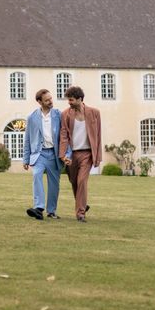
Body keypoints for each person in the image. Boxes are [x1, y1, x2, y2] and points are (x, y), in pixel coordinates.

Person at [59, 86, 102, 222]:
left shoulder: (94, 113)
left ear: (80, 99)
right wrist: (63, 155)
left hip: (87, 154)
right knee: (74, 182)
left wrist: (98, 156)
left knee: (82, 181)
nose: (69, 102)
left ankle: (80, 213)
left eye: (71, 100)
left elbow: (98, 135)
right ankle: (82, 204)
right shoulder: (65, 114)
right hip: (72, 154)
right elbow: (64, 135)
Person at [23, 89, 64, 220]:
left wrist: (66, 153)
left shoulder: (59, 115)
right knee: (36, 175)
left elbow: (65, 136)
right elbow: (28, 139)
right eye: (47, 100)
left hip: (54, 154)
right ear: (40, 102)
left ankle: (51, 211)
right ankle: (39, 208)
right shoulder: (32, 117)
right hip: (39, 154)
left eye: (51, 99)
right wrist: (26, 159)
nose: (50, 101)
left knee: (54, 184)